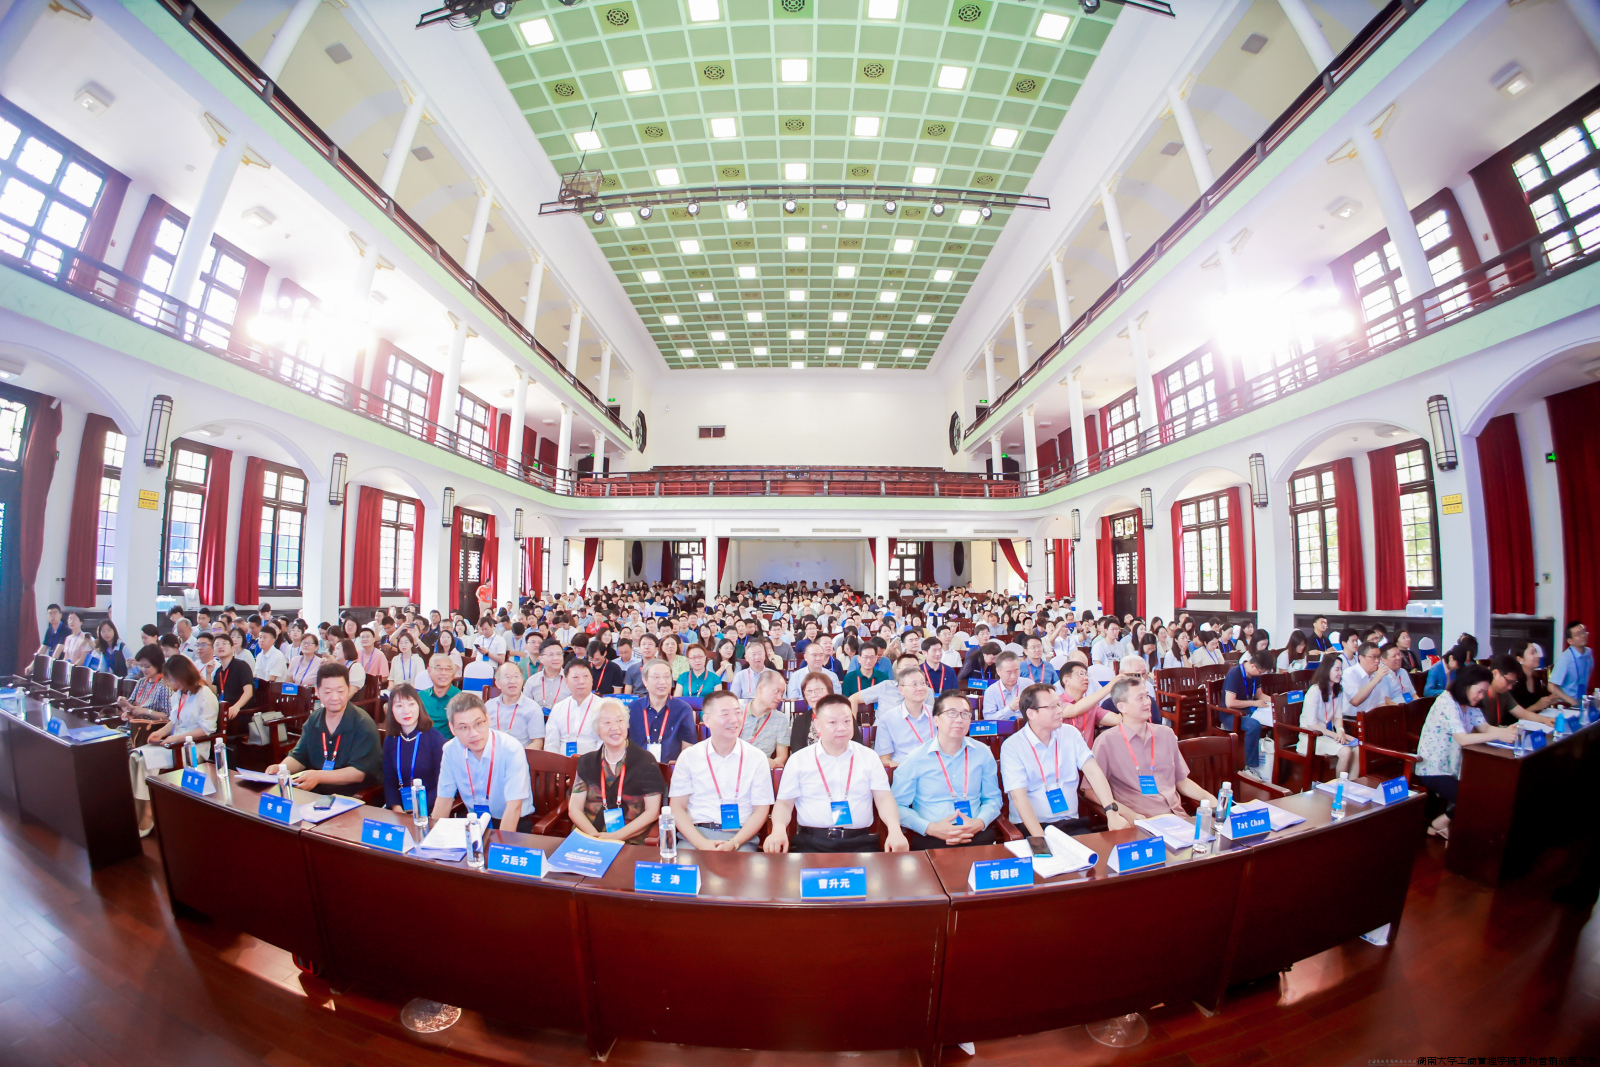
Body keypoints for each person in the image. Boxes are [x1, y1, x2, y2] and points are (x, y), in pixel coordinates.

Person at [764, 694, 908, 854]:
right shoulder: (799, 760)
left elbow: (884, 799)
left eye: (847, 721)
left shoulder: (869, 757)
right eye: (833, 722)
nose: (842, 728)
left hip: (860, 843)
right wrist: (778, 830)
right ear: (818, 725)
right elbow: (784, 804)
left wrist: (895, 830)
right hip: (811, 844)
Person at [1001, 683, 1128, 836]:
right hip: (1032, 827)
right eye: (1052, 707)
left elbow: (1093, 771)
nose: (1060, 710)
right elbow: (1018, 796)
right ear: (1031, 713)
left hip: (1070, 823)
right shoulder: (1013, 746)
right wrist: (1040, 839)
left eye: (1059, 704)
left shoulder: (1070, 734)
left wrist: (1111, 811)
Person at [1415, 664, 1519, 839]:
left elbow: (1485, 728)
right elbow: (1463, 739)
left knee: (1491, 788)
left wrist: (1507, 731)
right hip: (1433, 769)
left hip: (1456, 767)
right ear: (1466, 685)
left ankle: (1443, 824)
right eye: (1479, 691)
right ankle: (1438, 823)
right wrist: (1500, 734)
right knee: (1474, 797)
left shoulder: (1469, 703)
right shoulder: (1447, 702)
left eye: (1484, 692)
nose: (1481, 696)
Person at [1092, 676, 1218, 819]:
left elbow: (1181, 780)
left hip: (1177, 817)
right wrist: (1129, 815)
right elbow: (1091, 791)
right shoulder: (1107, 742)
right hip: (1141, 821)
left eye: (1147, 696)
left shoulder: (1166, 734)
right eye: (1140, 698)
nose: (1148, 702)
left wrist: (1209, 798)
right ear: (1122, 707)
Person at [891, 691, 1003, 849]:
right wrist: (930, 828)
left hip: (976, 835)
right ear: (936, 720)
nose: (959, 719)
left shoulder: (982, 752)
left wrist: (979, 823)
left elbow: (993, 798)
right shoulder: (916, 758)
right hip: (931, 838)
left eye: (965, 714)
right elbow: (896, 806)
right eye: (952, 713)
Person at [669, 690, 775, 851]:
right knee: (684, 866)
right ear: (707, 720)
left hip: (741, 839)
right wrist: (701, 843)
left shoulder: (757, 758)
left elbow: (761, 810)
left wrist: (734, 843)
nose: (734, 719)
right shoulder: (689, 757)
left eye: (737, 713)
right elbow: (677, 807)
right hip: (695, 837)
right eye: (725, 714)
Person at [129, 654, 220, 834]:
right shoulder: (179, 694)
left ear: (183, 675)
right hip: (173, 744)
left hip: (192, 748)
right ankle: (138, 806)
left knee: (145, 761)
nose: (170, 683)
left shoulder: (205, 694)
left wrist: (176, 739)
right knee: (134, 756)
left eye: (171, 679)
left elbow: (206, 730)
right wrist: (161, 733)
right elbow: (173, 721)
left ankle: (148, 813)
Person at [266, 663, 383, 796]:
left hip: (352, 795)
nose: (334, 697)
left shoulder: (363, 724)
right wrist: (281, 768)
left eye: (340, 691)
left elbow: (358, 773)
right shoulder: (314, 719)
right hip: (316, 791)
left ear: (349, 689)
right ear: (317, 691)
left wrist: (318, 776)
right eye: (327, 692)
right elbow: (299, 757)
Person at [431, 692, 533, 832]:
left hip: (512, 822)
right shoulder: (450, 750)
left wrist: (498, 844)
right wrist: (432, 837)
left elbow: (514, 807)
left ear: (488, 719)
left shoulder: (511, 748)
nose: (474, 733)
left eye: (478, 723)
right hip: (474, 820)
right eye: (463, 727)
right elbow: (444, 799)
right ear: (452, 729)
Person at [569, 699, 667, 844]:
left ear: (626, 724)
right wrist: (595, 837)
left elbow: (652, 812)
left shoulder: (646, 761)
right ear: (597, 729)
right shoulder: (587, 762)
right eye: (607, 722)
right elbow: (574, 808)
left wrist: (614, 837)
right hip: (589, 836)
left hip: (629, 839)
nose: (614, 727)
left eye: (619, 720)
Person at [382, 683, 445, 818]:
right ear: (391, 709)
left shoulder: (435, 739)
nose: (406, 711)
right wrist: (397, 809)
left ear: (419, 706)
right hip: (399, 811)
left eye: (411, 704)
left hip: (430, 810)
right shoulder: (391, 739)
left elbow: (442, 785)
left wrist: (418, 810)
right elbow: (389, 780)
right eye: (399, 706)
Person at [629, 659, 698, 763]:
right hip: (638, 769)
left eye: (666, 677)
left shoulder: (683, 709)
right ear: (645, 680)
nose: (662, 682)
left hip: (672, 769)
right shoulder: (632, 709)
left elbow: (688, 748)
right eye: (656, 677)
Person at [872, 665, 938, 767]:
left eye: (923, 683)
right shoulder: (888, 719)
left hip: (935, 769)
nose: (920, 688)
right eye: (914, 684)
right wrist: (908, 770)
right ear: (901, 690)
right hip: (903, 771)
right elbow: (884, 760)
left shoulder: (937, 714)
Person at [1300, 656, 1355, 777]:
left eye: (1341, 669)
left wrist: (1340, 731)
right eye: (1337, 669)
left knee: (1358, 747)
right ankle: (1340, 785)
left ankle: (1351, 783)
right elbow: (1311, 724)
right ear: (1327, 670)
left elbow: (1337, 716)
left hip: (1327, 735)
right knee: (1346, 751)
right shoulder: (1314, 691)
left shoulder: (1338, 690)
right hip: (1311, 737)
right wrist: (1335, 735)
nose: (1340, 673)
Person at [1221, 650, 1275, 775]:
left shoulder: (1255, 675)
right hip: (1231, 714)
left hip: (1248, 711)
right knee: (1254, 725)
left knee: (1276, 717)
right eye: (1260, 672)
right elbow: (1230, 703)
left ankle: (1271, 763)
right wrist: (1254, 703)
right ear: (1253, 666)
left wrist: (1276, 702)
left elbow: (1259, 695)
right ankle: (1250, 767)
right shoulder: (1235, 673)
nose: (1260, 674)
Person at [547, 658, 603, 757]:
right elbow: (551, 744)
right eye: (575, 677)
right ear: (566, 682)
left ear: (592, 680)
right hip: (562, 763)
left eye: (585, 676)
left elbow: (604, 743)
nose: (581, 681)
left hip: (593, 762)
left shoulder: (604, 707)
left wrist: (591, 763)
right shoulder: (558, 708)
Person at [483, 660, 547, 747]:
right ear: (497, 683)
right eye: (507, 677)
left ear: (522, 681)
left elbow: (538, 742)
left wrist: (520, 755)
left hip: (521, 753)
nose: (512, 681)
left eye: (516, 677)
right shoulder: (488, 706)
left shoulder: (533, 708)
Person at [739, 668, 791, 767]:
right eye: (776, 691)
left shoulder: (781, 719)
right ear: (761, 688)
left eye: (782, 693)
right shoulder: (737, 712)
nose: (780, 698)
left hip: (761, 769)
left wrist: (767, 764)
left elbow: (782, 757)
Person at [1059, 659, 1119, 744]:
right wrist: (1110, 686)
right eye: (1080, 674)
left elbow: (1117, 720)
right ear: (1066, 680)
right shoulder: (1056, 702)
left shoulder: (1091, 706)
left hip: (1087, 752)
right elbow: (1074, 710)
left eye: (1086, 674)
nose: (1086, 678)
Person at [213, 633, 257, 739]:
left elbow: (249, 692)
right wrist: (208, 674)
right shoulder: (219, 671)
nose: (220, 646)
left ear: (232, 648)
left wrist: (237, 706)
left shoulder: (241, 665)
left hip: (240, 712)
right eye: (217, 644)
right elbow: (214, 692)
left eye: (224, 643)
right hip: (224, 711)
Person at [117, 645, 172, 729]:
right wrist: (124, 704)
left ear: (157, 664)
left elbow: (167, 716)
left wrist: (145, 711)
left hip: (151, 729)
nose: (143, 669)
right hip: (134, 726)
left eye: (147, 666)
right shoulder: (142, 681)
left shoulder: (165, 686)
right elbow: (131, 704)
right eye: (141, 666)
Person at [1510, 640, 1569, 712]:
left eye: (1536, 652)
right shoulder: (1514, 682)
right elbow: (1514, 715)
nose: (1537, 656)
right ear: (1520, 659)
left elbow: (1540, 701)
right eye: (1532, 653)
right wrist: (1536, 706)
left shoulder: (1536, 678)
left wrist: (1549, 700)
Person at [418, 653, 463, 744]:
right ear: (429, 670)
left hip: (449, 746)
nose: (443, 673)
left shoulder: (461, 698)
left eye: (448, 669)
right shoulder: (420, 697)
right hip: (422, 744)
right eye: (438, 668)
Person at [1550, 621, 1592, 702]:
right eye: (1578, 634)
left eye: (1584, 632)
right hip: (1566, 704)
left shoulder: (1588, 653)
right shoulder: (1565, 659)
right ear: (1570, 641)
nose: (1583, 635)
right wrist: (1572, 702)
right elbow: (1551, 686)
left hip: (1582, 701)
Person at [528, 639, 571, 712]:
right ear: (541, 659)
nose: (556, 658)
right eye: (551, 654)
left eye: (559, 654)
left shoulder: (571, 679)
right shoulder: (532, 681)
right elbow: (526, 707)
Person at [981, 651, 1026, 720]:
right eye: (1008, 672)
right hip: (1002, 727)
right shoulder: (991, 692)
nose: (1013, 676)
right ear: (998, 671)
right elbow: (989, 719)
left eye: (1016, 670)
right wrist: (1010, 709)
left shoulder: (1028, 685)